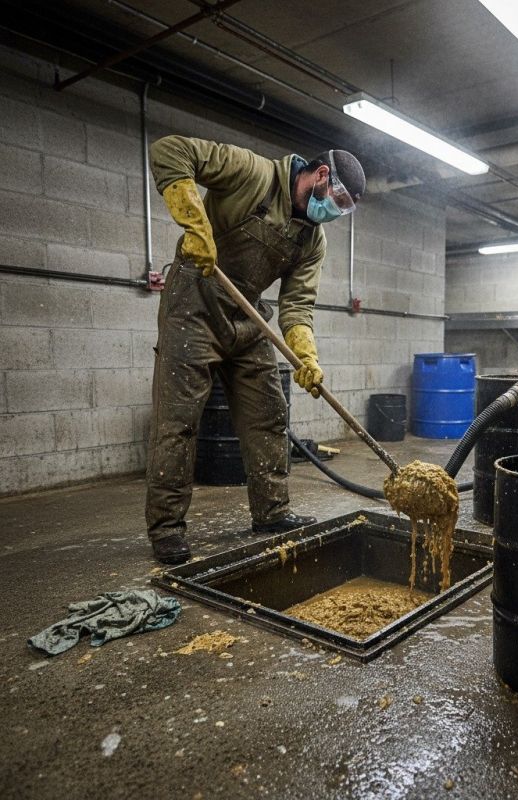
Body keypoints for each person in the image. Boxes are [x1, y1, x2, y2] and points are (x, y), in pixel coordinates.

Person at [146, 135, 366, 565]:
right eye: (338, 199)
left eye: (345, 208)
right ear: (321, 175)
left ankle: (272, 513)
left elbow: (298, 306)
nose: (336, 212)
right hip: (195, 300)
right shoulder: (253, 172)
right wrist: (195, 224)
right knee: (179, 421)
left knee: (268, 413)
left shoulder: (312, 240)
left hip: (247, 315)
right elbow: (170, 151)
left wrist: (307, 355)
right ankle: (167, 528)